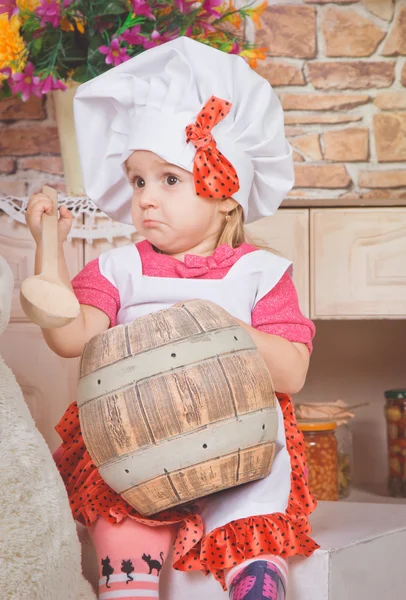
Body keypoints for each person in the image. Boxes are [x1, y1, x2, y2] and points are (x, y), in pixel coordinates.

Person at [25, 36, 318, 600]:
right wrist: (49, 250)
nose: (145, 200)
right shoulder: (119, 267)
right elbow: (72, 338)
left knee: (247, 513)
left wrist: (215, 330)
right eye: (137, 181)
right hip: (137, 448)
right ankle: (127, 587)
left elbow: (292, 373)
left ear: (226, 194)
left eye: (168, 179)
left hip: (239, 447)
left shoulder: (262, 272)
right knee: (122, 513)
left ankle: (254, 580)